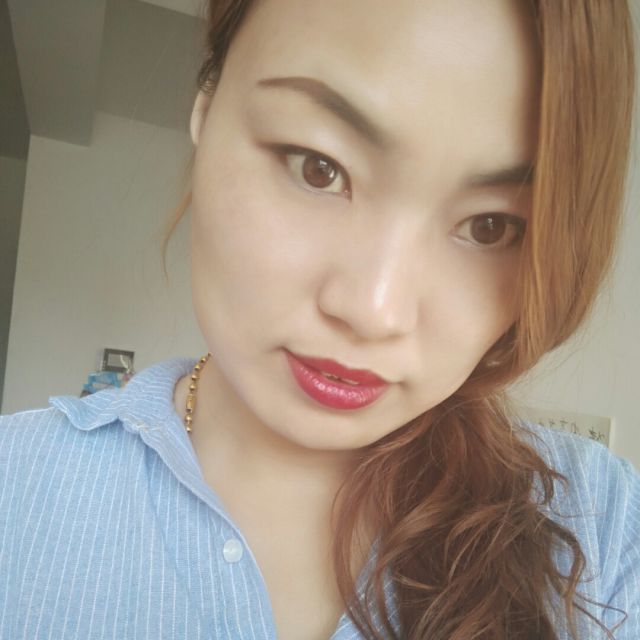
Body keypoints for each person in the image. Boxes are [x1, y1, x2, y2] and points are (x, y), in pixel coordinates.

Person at [1, 0, 638, 638]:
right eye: (319, 167)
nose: (374, 311)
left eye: (490, 226)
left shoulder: (597, 525)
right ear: (206, 103)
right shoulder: (17, 487)